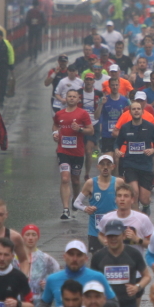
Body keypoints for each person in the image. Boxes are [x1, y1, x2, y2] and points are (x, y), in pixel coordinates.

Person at [54, 89, 95, 219]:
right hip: (63, 151)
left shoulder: (83, 114)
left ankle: (75, 202)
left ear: (78, 99)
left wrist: (80, 129)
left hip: (77, 152)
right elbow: (55, 126)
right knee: (65, 178)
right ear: (66, 98)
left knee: (75, 181)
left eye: (74, 97)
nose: (71, 98)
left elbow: (91, 131)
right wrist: (54, 134)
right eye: (69, 96)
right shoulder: (59, 114)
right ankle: (65, 209)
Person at [117, 101, 154, 213]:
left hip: (146, 166)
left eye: (138, 109)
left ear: (142, 111)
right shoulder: (125, 127)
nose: (136, 111)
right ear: (130, 112)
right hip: (130, 164)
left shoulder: (150, 127)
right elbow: (117, 143)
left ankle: (146, 206)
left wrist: (153, 149)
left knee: (144, 199)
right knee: (134, 193)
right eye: (134, 109)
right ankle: (136, 220)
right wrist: (116, 150)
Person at [41, 241, 118, 307]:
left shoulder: (98, 277)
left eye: (79, 255)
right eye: (71, 254)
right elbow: (44, 304)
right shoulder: (52, 279)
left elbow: (114, 304)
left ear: (86, 258)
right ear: (64, 257)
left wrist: (94, 303)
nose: (74, 259)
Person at [75, 155, 118, 251]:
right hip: (95, 231)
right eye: (102, 164)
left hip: (114, 230)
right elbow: (77, 202)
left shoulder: (118, 182)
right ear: (98, 167)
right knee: (97, 261)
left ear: (113, 166)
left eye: (108, 164)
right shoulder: (91, 183)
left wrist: (120, 210)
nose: (105, 167)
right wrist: (85, 208)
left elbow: (128, 200)